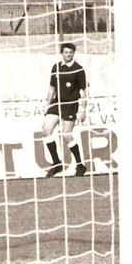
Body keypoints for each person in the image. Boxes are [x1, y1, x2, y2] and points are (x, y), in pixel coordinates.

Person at [42, 42, 87, 177]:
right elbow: (51, 88)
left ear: (73, 53)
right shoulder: (56, 67)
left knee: (67, 135)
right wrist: (48, 104)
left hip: (70, 104)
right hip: (57, 103)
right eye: (66, 52)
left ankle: (80, 165)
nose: (68, 54)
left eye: (71, 52)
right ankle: (57, 163)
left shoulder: (78, 69)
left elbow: (84, 91)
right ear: (62, 53)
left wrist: (82, 109)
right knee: (46, 130)